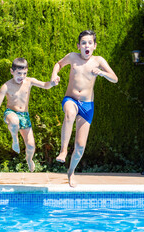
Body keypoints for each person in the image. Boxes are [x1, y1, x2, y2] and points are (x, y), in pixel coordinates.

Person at [50, 30, 118, 187]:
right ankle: (63, 150)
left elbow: (114, 78)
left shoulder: (98, 60)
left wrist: (101, 73)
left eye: (89, 43)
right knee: (70, 113)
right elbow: (58, 64)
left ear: (94, 46)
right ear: (78, 46)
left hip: (87, 106)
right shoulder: (72, 57)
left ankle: (71, 172)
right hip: (71, 99)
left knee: (80, 147)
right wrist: (54, 75)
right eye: (83, 43)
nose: (86, 45)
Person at [0, 58, 59, 172]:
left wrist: (52, 83)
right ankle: (15, 140)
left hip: (24, 116)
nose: (22, 76)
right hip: (10, 113)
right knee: (15, 121)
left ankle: (29, 159)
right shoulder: (6, 86)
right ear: (12, 71)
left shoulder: (29, 81)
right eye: (19, 73)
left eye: (24, 73)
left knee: (31, 146)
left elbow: (45, 85)